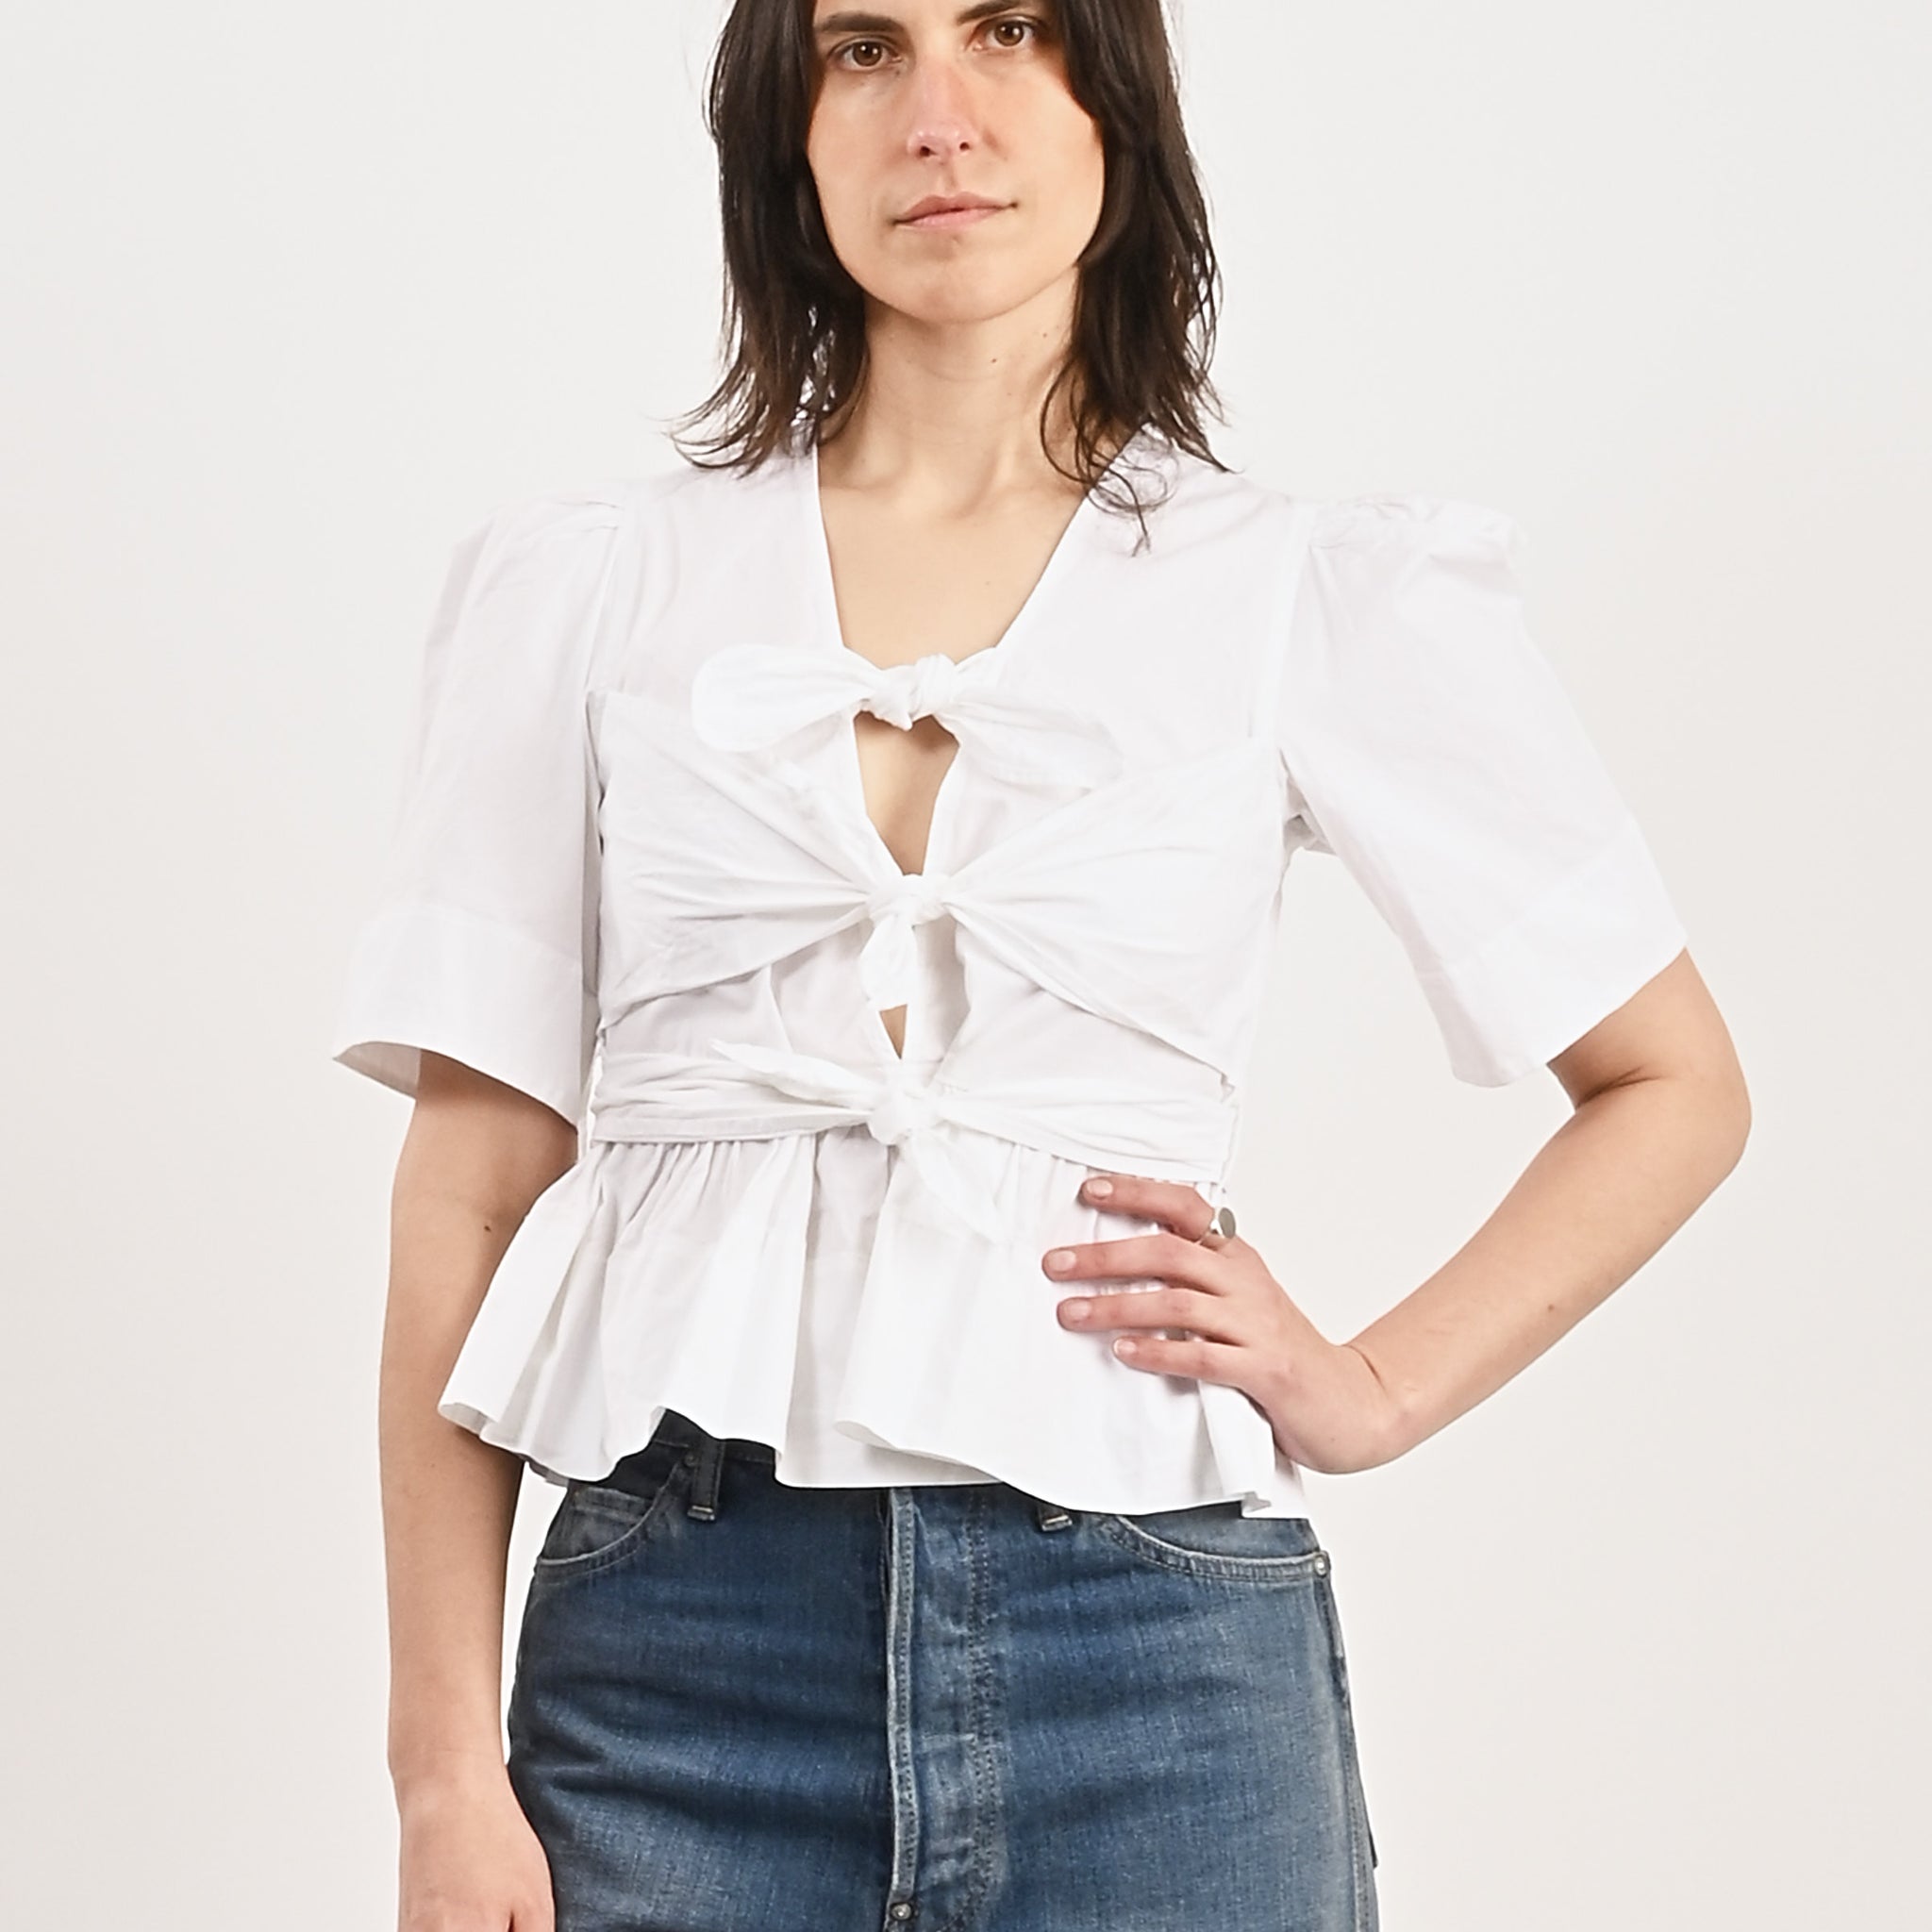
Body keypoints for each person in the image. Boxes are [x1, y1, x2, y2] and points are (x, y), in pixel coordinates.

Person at [330, 3, 1751, 1927]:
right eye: (863, 48)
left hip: (1159, 1662)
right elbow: (471, 1188)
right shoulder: (590, 583)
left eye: (1008, 31)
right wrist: (440, 1766)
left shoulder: (1304, 589)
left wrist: (1370, 1390)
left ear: (1115, 108)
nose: (940, 113)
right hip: (672, 1656)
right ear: (785, 129)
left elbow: (1671, 1084)